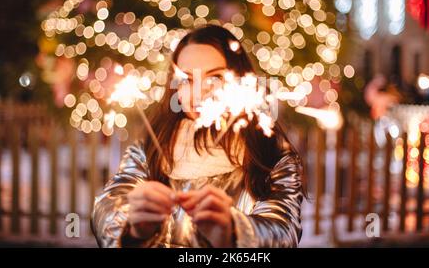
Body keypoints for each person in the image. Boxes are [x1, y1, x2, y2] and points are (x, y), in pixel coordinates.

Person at [91, 24, 305, 248]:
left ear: (242, 81)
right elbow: (107, 207)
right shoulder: (150, 149)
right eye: (187, 80)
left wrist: (232, 230)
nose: (199, 92)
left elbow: (283, 233)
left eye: (215, 78)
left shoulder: (272, 155)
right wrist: (133, 225)